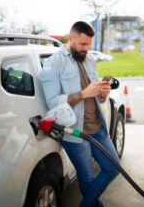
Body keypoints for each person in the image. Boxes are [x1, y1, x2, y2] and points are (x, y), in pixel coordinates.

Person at [40, 21, 120, 207]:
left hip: (98, 128)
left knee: (113, 168)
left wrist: (102, 94)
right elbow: (52, 102)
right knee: (87, 182)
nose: (86, 49)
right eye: (82, 44)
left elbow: (95, 96)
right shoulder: (54, 64)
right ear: (70, 38)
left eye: (88, 45)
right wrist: (83, 94)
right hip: (75, 133)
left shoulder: (90, 60)